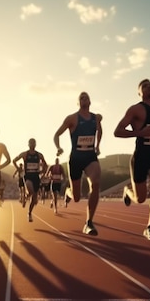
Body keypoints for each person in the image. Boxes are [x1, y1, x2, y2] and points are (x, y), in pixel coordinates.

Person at [113, 79, 150, 242]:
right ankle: (127, 191)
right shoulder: (135, 109)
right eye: (144, 86)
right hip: (140, 157)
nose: (148, 87)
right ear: (139, 93)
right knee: (140, 199)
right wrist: (139, 133)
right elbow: (117, 131)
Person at [53, 91, 103, 235]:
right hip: (75, 158)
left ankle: (89, 222)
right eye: (81, 97)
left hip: (90, 156)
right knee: (76, 197)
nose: (84, 99)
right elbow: (57, 134)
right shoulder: (72, 119)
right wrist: (58, 147)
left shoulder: (96, 118)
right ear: (78, 103)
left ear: (90, 101)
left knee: (96, 183)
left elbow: (100, 131)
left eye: (86, 97)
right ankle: (68, 193)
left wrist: (98, 145)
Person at [12, 138, 48, 222]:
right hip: (27, 176)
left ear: (35, 144)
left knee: (34, 199)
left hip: (36, 177)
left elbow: (45, 165)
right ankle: (27, 196)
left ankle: (29, 212)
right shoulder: (24, 154)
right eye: (31, 143)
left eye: (34, 143)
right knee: (31, 190)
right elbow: (14, 160)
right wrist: (18, 169)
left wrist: (43, 172)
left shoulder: (39, 155)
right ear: (28, 144)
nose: (32, 144)